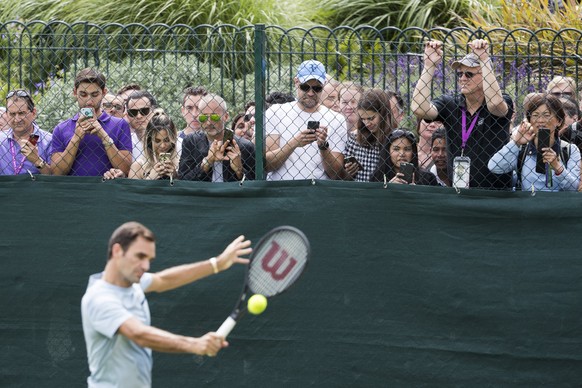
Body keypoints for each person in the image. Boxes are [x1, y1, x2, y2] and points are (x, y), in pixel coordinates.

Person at [81, 221, 252, 387]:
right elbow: (138, 334)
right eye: (140, 256)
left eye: (149, 259)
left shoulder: (132, 282)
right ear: (117, 251)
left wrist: (218, 264)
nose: (146, 265)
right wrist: (196, 344)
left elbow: (164, 279)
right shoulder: (99, 298)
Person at [411, 39, 514, 190]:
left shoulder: (502, 100)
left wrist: (485, 60)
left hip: (495, 193)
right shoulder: (450, 104)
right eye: (459, 74)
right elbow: (419, 108)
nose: (462, 78)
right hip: (459, 191)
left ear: (484, 75)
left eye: (469, 74)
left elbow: (495, 105)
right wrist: (429, 66)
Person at [264, 60, 347, 180]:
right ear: (296, 82)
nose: (311, 93)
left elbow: (336, 174)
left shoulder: (336, 119)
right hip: (281, 189)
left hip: (318, 189)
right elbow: (266, 165)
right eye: (305, 87)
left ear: (323, 86)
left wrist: (323, 146)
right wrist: (293, 143)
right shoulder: (275, 112)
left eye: (317, 88)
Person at [489, 93, 580, 192]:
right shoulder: (522, 150)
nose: (540, 120)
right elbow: (494, 167)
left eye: (546, 115)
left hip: (558, 205)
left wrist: (558, 168)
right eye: (535, 115)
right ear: (529, 120)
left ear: (559, 120)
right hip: (528, 205)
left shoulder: (569, 150)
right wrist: (516, 142)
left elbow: (574, 188)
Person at [51, 68, 132, 176]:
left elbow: (126, 170)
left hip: (108, 189)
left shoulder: (120, 125)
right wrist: (76, 139)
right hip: (72, 190)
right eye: (83, 94)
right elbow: (56, 173)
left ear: (104, 93)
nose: (89, 101)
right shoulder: (61, 128)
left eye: (94, 95)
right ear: (75, 92)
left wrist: (103, 135)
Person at [178, 93, 255, 182]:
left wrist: (239, 170)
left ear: (226, 117)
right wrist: (206, 163)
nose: (208, 122)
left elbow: (256, 186)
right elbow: (183, 180)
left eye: (214, 117)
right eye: (203, 117)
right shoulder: (191, 142)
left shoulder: (245, 146)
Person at [343, 89, 395, 182]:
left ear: (383, 113)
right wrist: (348, 171)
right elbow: (343, 177)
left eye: (371, 118)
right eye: (363, 119)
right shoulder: (355, 138)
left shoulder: (394, 139)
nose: (367, 123)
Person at [0, 90, 52, 175]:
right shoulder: (1, 140)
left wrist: (37, 161)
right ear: (6, 114)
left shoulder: (48, 140)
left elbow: (56, 178)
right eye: (12, 114)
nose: (17, 119)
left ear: (33, 113)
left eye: (21, 113)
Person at [371, 129, 438, 186]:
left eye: (407, 149)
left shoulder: (428, 178)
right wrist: (389, 187)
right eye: (396, 149)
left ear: (413, 152)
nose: (402, 154)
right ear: (388, 151)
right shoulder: (377, 177)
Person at [126, 90, 157, 161]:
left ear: (154, 111)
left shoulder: (173, 142)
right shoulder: (124, 143)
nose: (139, 116)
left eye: (144, 111)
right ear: (127, 115)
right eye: (133, 112)